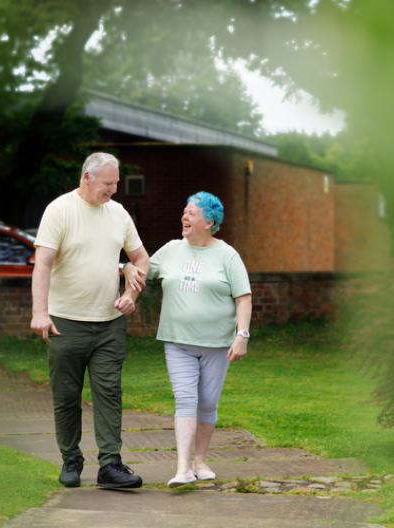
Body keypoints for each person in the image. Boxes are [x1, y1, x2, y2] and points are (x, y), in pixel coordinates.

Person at [30, 152, 150, 489]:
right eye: (107, 183)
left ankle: (110, 464)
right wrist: (40, 312)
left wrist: (131, 292)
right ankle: (71, 458)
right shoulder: (60, 211)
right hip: (65, 323)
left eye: (116, 183)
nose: (113, 189)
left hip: (109, 323)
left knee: (109, 392)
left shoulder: (118, 213)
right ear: (87, 177)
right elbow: (43, 264)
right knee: (67, 396)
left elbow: (140, 257)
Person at [125, 191, 252, 488]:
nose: (184, 217)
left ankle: (200, 461)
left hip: (217, 345)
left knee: (207, 402)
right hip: (178, 341)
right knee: (185, 399)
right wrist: (128, 267)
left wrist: (242, 335)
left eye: (191, 213)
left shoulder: (227, 255)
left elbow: (243, 298)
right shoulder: (171, 250)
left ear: (209, 222)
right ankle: (182, 468)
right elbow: (141, 271)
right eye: (184, 211)